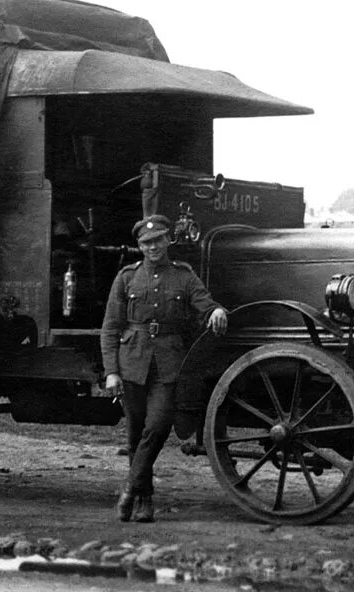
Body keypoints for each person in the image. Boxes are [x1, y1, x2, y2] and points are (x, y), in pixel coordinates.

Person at [100, 215, 228, 522]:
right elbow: (110, 328)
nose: (152, 247)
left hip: (169, 365)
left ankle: (130, 487)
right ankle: (144, 500)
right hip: (132, 364)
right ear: (139, 246)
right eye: (146, 243)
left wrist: (217, 311)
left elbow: (205, 302)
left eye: (157, 240)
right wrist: (111, 371)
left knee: (156, 428)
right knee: (134, 434)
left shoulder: (183, 275)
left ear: (168, 240)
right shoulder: (127, 277)